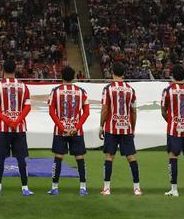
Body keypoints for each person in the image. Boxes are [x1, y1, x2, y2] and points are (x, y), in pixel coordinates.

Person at [0, 60, 32, 197]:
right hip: (19, 128)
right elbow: (27, 106)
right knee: (21, 159)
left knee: (0, 159)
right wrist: (17, 120)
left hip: (2, 128)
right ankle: (25, 187)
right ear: (15, 69)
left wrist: (6, 119)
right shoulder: (23, 86)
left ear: (3, 70)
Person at [99, 62, 140, 196]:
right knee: (131, 157)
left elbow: (105, 109)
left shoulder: (108, 89)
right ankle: (137, 188)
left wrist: (101, 126)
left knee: (109, 157)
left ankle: (106, 188)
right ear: (124, 73)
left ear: (112, 73)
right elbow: (133, 111)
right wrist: (132, 128)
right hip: (126, 128)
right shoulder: (130, 90)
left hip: (111, 128)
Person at [48, 64, 89, 196]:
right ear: (73, 77)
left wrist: (62, 127)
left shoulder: (55, 91)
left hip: (60, 130)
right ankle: (83, 187)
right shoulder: (81, 91)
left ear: (62, 76)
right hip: (76, 131)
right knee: (80, 158)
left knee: (58, 157)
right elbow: (86, 112)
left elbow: (51, 112)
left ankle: (54, 187)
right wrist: (75, 127)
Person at [161, 63, 184, 197]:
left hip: (174, 129)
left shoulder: (167, 91)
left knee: (173, 156)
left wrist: (172, 121)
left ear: (172, 76)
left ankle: (174, 189)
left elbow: (163, 111)